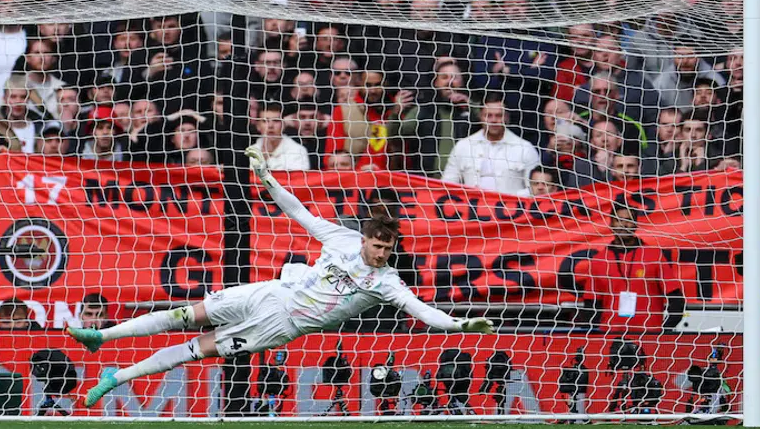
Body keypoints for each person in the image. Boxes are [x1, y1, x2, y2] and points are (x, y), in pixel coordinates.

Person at [67, 145, 495, 409]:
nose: (381, 253)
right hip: (270, 291)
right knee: (184, 314)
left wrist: (458, 323)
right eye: (377, 245)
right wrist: (266, 178)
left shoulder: (388, 283)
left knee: (194, 350)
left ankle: (114, 378)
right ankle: (102, 337)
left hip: (281, 325)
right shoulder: (342, 238)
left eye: (387, 249)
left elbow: (423, 312)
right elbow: (298, 212)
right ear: (365, 238)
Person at [578, 203, 686, 332]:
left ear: (635, 224)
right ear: (610, 224)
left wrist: (663, 330)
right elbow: (591, 305)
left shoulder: (654, 256)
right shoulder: (599, 260)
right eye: (618, 220)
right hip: (609, 336)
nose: (623, 225)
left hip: (649, 336)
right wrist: (594, 336)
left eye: (628, 220)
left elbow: (676, 299)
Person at [441, 94, 540, 195]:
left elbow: (535, 189)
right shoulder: (463, 146)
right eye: (488, 115)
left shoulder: (525, 148)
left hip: (511, 209)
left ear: (506, 117)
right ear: (480, 116)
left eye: (498, 115)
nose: (493, 120)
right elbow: (447, 185)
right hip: (471, 209)